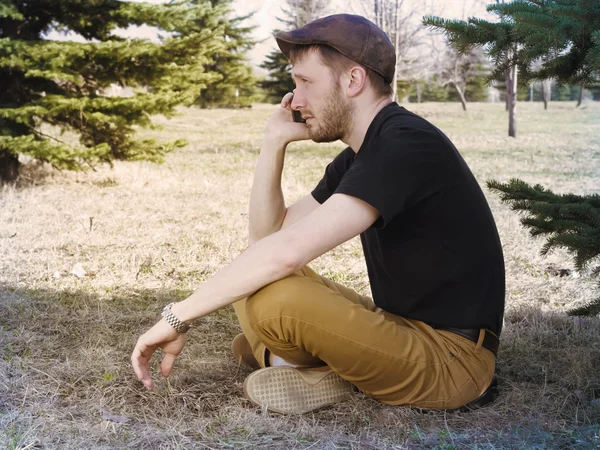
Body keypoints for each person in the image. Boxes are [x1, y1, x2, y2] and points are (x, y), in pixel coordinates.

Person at [131, 14, 505, 414]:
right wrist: (274, 141)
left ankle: (305, 365)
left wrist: (177, 317)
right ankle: (326, 367)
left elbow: (287, 252)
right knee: (251, 273)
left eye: (306, 82)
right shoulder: (362, 153)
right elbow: (266, 237)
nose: (295, 100)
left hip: (453, 362)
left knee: (278, 300)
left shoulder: (406, 145)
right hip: (401, 329)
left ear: (353, 81)